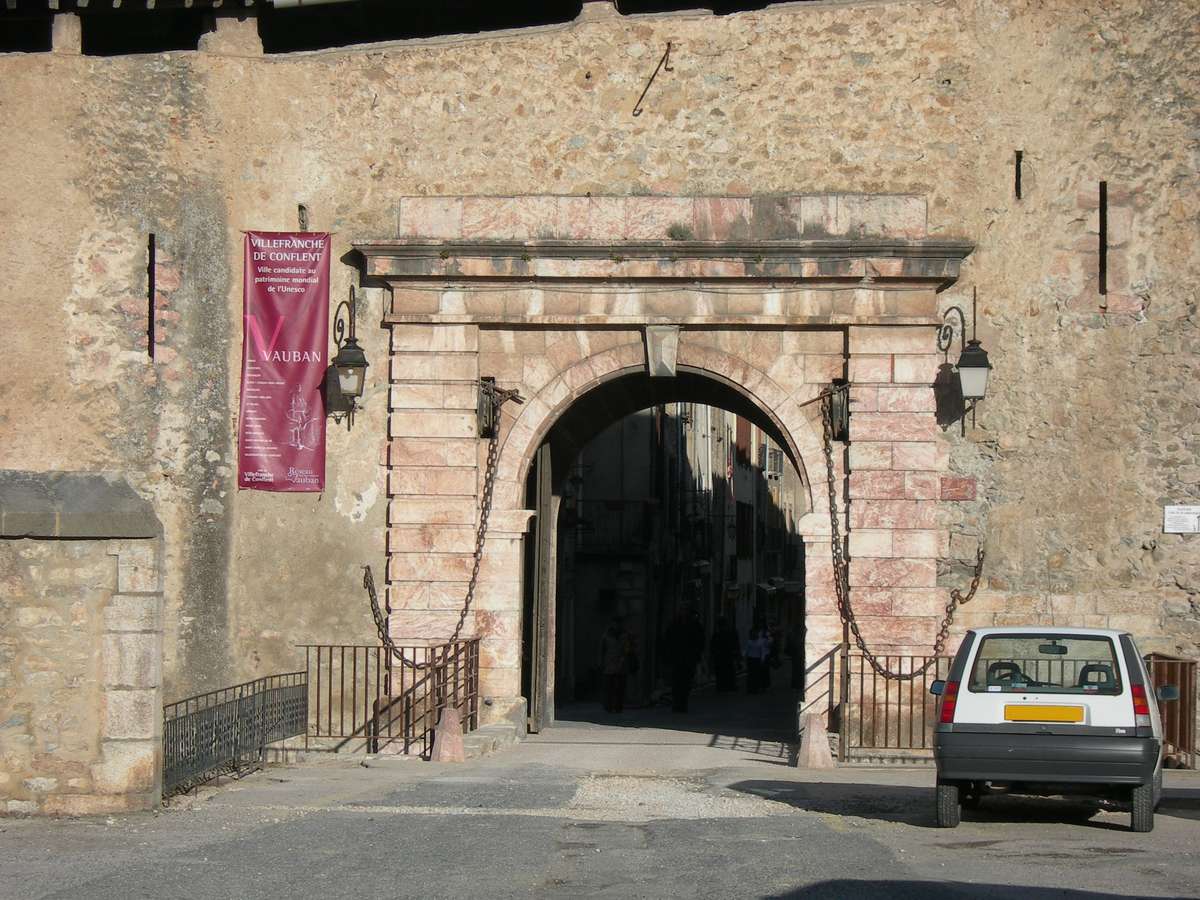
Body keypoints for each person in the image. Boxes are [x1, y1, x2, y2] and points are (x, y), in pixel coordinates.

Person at [664, 605, 705, 713]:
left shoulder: (694, 625)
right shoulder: (674, 625)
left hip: (689, 659)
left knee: (686, 683)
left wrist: (697, 655)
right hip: (677, 659)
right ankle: (677, 704)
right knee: (676, 682)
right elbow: (668, 641)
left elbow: (700, 642)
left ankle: (682, 704)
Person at [599, 617, 631, 713]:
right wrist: (601, 663)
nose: (617, 626)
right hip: (609, 664)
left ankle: (618, 706)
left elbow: (628, 649)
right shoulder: (606, 635)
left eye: (619, 624)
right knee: (609, 687)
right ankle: (608, 706)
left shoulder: (625, 635)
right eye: (615, 624)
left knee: (620, 687)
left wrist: (625, 658)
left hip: (621, 664)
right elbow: (602, 650)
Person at [710, 617, 740, 692]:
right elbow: (735, 644)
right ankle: (728, 686)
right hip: (726, 656)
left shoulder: (717, 634)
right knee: (728, 672)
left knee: (722, 672)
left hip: (722, 656)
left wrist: (714, 653)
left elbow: (713, 646)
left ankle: (722, 686)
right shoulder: (730, 633)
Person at [745, 625, 771, 694]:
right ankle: (751, 688)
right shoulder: (749, 642)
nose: (754, 634)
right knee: (751, 674)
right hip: (751, 659)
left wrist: (762, 659)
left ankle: (756, 688)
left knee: (756, 674)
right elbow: (746, 651)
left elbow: (762, 651)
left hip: (756, 659)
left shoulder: (760, 642)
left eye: (755, 633)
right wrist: (745, 657)